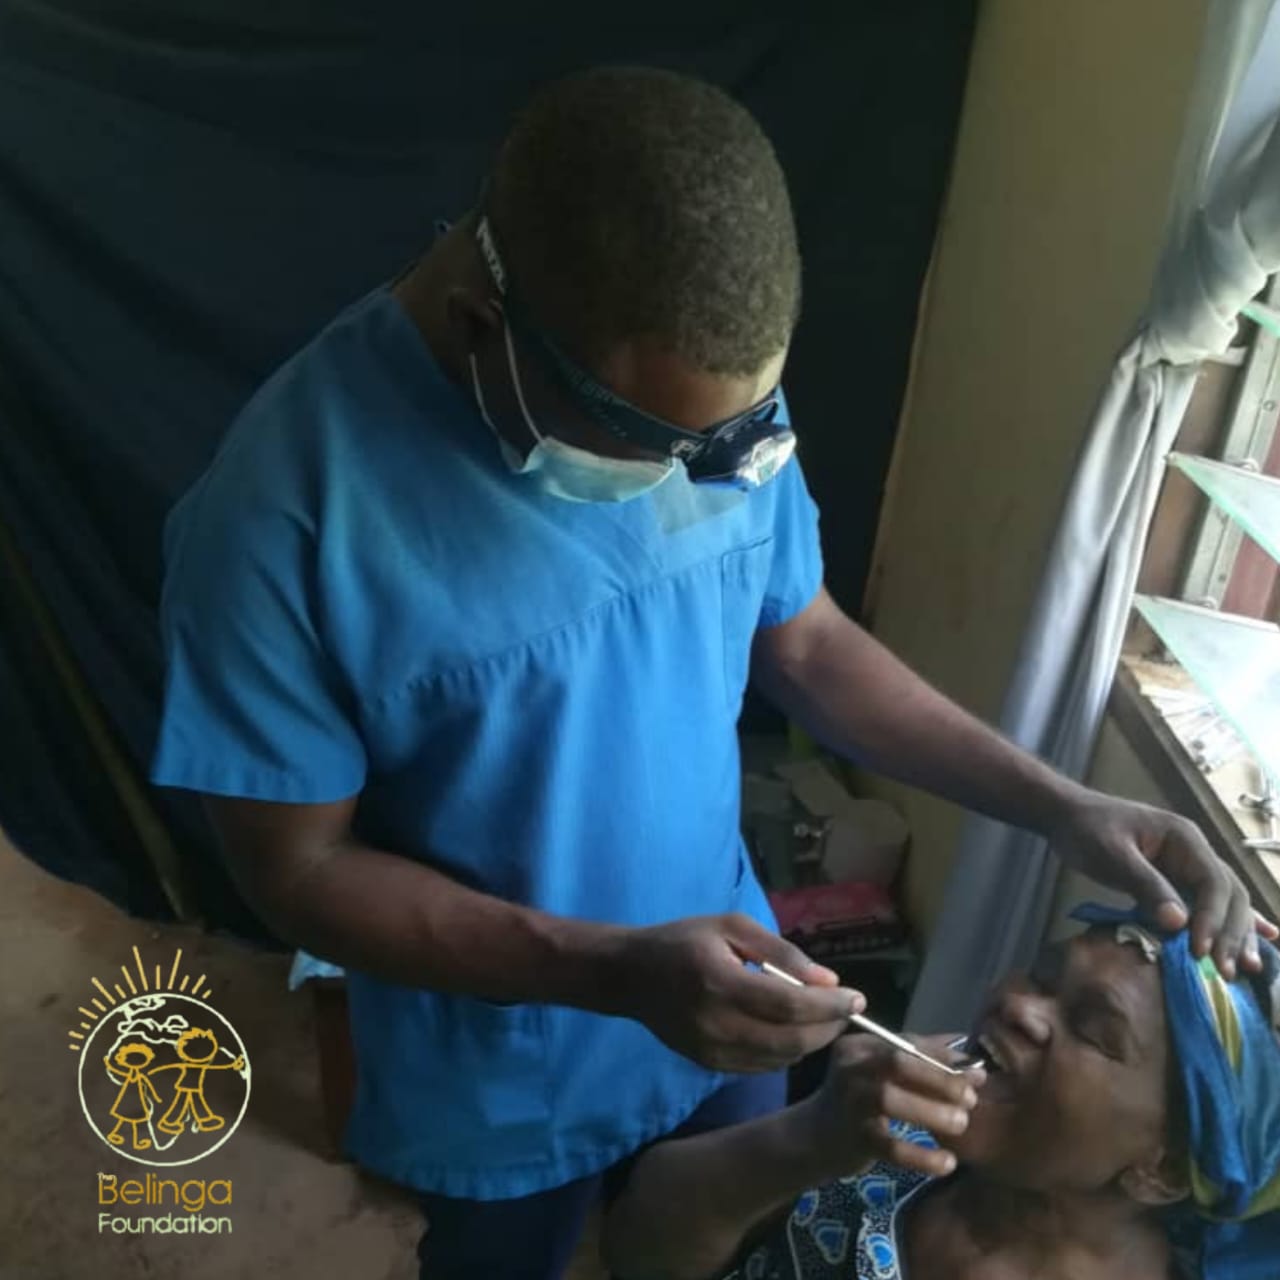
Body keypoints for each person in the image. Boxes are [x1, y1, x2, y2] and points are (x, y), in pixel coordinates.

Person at [149, 66, 1271, 1278]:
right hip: (504, 1081)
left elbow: (808, 644)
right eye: (650, 447)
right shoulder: (280, 521)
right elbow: (298, 870)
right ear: (484, 323)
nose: (702, 475)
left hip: (733, 1002)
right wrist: (608, 969)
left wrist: (1060, 805)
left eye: (732, 438)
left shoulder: (717, 418)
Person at [602, 909, 1280, 1280]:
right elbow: (636, 1249)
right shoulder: (889, 1134)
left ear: (1163, 1169)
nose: (1020, 1006)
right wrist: (811, 1137)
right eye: (1044, 975)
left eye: (1093, 1029)